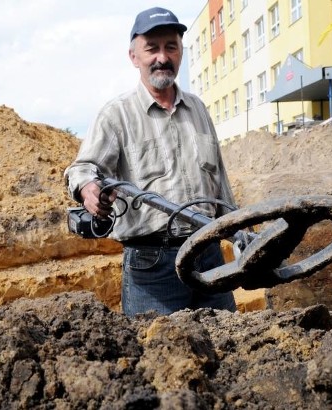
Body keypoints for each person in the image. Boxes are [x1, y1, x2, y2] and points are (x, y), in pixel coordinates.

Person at [64, 7, 237, 317]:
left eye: (170, 46)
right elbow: (83, 168)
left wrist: (239, 234)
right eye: (152, 48)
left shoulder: (197, 109)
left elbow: (219, 183)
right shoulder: (116, 115)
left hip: (209, 255)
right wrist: (90, 189)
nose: (162, 56)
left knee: (227, 348)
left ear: (181, 51)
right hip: (154, 265)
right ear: (134, 56)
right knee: (158, 356)